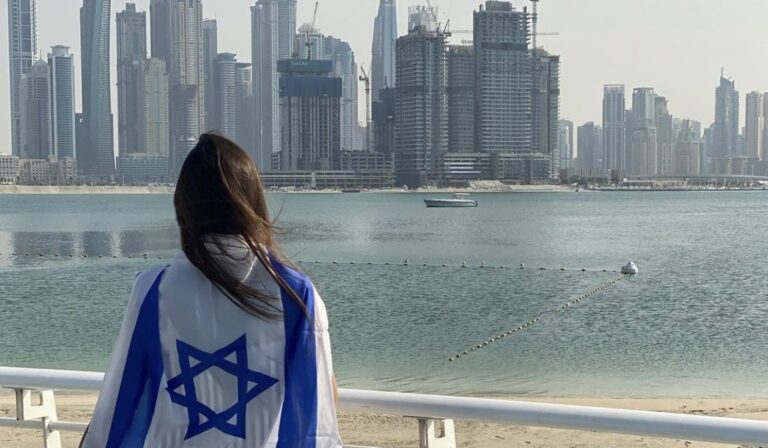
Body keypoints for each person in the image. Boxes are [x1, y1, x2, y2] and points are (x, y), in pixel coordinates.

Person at [81, 133, 342, 447]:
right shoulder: (295, 294)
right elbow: (318, 407)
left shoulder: (152, 290)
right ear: (253, 202)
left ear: (184, 206)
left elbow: (121, 400)